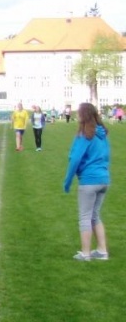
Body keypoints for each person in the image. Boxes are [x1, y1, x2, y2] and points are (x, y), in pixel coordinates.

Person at [63, 103, 110, 261]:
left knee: (85, 217)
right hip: (103, 179)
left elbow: (75, 159)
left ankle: (85, 253)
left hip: (89, 181)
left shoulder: (84, 135)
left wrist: (68, 181)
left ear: (83, 115)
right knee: (95, 216)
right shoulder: (102, 135)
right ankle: (102, 251)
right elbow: (106, 156)